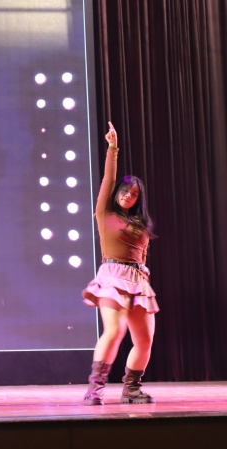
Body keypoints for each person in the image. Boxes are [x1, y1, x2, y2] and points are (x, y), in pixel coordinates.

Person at [81, 122, 159, 405]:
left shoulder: (140, 224)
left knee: (145, 340)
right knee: (114, 331)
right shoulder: (105, 213)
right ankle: (95, 390)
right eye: (125, 191)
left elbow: (142, 256)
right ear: (116, 193)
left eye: (134, 194)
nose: (128, 195)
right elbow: (108, 178)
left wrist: (143, 279)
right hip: (113, 275)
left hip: (139, 281)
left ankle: (131, 389)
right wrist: (113, 149)